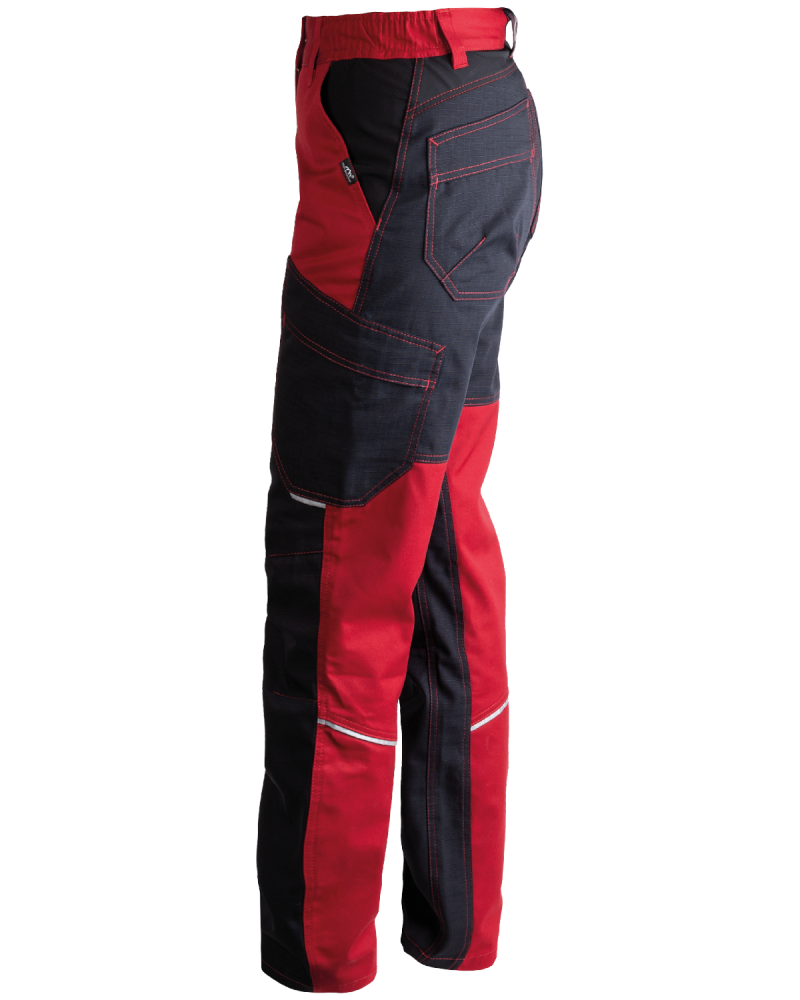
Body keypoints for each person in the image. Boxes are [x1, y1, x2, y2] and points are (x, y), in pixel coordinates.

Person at [259, 7, 542, 992]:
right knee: (446, 541)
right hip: (488, 105)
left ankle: (322, 963)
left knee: (341, 584)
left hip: (392, 129)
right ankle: (461, 937)